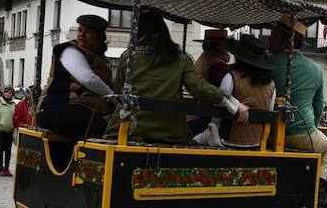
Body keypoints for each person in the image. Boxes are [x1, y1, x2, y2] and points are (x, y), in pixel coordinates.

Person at [104, 10, 247, 145]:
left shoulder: (127, 57)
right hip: (168, 132)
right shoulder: (181, 59)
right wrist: (233, 103)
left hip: (126, 130)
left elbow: (119, 91)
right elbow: (200, 88)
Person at [268, 17, 327, 199]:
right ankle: (318, 197)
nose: (269, 39)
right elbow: (318, 106)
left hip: (267, 132)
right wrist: (314, 127)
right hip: (302, 133)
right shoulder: (315, 69)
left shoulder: (266, 62)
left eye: (273, 36)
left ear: (285, 40)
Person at [37, 14, 114, 140]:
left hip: (84, 110)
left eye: (87, 32)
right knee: (103, 130)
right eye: (80, 30)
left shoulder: (103, 61)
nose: (81, 35)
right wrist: (114, 98)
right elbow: (87, 78)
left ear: (99, 36)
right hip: (58, 108)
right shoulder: (69, 51)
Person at [193, 35, 275, 149]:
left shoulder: (231, 77)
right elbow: (269, 113)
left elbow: (218, 112)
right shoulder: (271, 84)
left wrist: (213, 128)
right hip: (257, 142)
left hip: (227, 140)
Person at [0, 86, 17, 176]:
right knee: (0, 150)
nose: (7, 94)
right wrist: (0, 122)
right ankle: (1, 168)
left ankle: (7, 168)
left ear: (12, 94)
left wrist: (13, 125)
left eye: (10, 92)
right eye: (6, 92)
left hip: (9, 130)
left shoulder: (14, 104)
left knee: (8, 150)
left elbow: (15, 116)